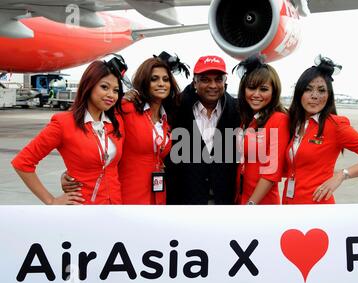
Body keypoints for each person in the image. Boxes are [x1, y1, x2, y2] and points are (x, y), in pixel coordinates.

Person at [62, 52, 186, 205]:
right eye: (154, 79)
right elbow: (93, 136)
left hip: (158, 194)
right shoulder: (126, 108)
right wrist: (72, 173)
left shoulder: (168, 116)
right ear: (144, 82)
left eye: (166, 79)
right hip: (128, 195)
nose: (161, 83)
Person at [11, 56, 126, 205]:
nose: (111, 94)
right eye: (104, 87)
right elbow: (22, 162)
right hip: (82, 208)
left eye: (116, 90)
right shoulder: (64, 123)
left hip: (114, 207)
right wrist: (51, 200)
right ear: (88, 86)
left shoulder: (116, 123)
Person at [283, 56, 358, 204]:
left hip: (317, 205)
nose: (314, 96)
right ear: (299, 92)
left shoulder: (336, 125)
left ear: (328, 96)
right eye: (308, 89)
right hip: (289, 204)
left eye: (321, 90)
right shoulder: (294, 123)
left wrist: (342, 175)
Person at [166, 55, 241, 204]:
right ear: (195, 82)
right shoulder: (174, 107)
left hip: (225, 203)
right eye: (205, 79)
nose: (213, 85)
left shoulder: (237, 110)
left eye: (218, 79)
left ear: (225, 82)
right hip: (183, 204)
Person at [234, 55, 290, 205]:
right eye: (251, 88)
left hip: (261, 204)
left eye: (263, 89)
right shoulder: (248, 120)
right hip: (242, 199)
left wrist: (251, 204)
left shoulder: (279, 119)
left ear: (273, 92)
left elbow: (272, 172)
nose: (256, 94)